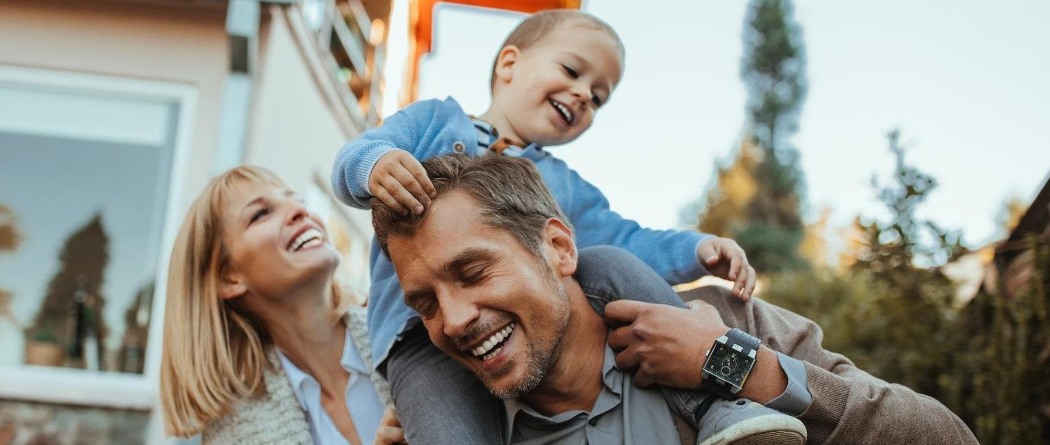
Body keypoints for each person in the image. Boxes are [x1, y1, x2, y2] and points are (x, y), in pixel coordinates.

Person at [331, 9, 768, 443]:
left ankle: (718, 402)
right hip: (420, 342)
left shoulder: (563, 186)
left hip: (529, 334)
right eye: (572, 70)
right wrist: (375, 166)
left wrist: (697, 249)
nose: (583, 95)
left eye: (598, 97)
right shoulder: (433, 121)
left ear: (559, 242)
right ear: (509, 64)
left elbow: (626, 239)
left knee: (609, 262)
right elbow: (359, 152)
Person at [371, 154, 979, 444]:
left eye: (474, 272)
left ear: (557, 247)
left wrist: (736, 365)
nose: (452, 320)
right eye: (424, 303)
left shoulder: (721, 319)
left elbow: (944, 438)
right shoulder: (453, 429)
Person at [158, 166, 404, 445]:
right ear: (230, 277)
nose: (301, 211)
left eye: (297, 199)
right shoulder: (231, 437)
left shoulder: (406, 332)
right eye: (260, 214)